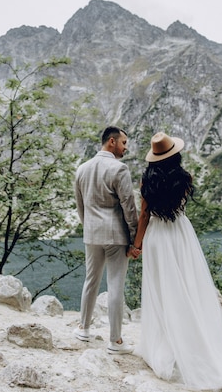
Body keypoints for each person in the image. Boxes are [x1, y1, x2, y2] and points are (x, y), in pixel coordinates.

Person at [133, 132, 222, 390]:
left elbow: (144, 215)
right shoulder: (185, 179)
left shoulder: (146, 182)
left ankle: (165, 346)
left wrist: (136, 245)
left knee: (161, 291)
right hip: (181, 234)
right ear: (175, 154)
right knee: (187, 288)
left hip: (158, 237)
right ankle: (192, 343)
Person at [73, 126, 140, 355]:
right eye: (123, 142)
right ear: (111, 142)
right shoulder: (119, 169)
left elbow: (80, 207)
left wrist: (89, 227)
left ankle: (83, 328)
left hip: (92, 234)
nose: (125, 147)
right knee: (115, 287)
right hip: (115, 236)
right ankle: (115, 341)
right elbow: (129, 208)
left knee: (90, 280)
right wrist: (134, 239)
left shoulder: (82, 169)